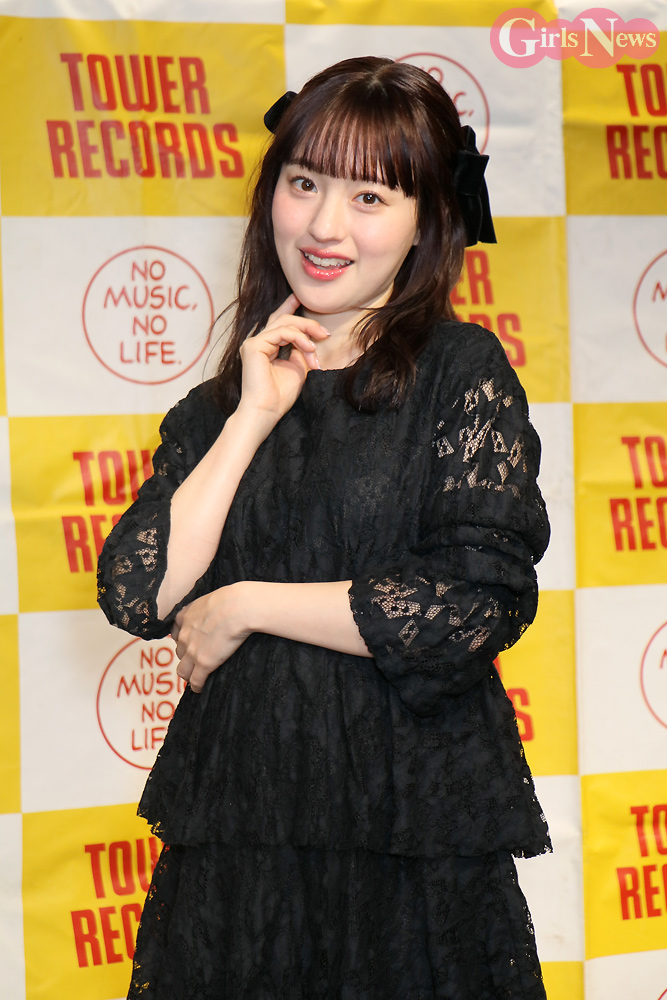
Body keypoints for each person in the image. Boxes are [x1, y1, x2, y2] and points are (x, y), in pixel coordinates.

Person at [98, 55, 550, 1000]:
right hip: (244, 830)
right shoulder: (219, 406)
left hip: (409, 832)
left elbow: (471, 605)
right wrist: (251, 416)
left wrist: (246, 605)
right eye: (303, 183)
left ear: (427, 218)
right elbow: (140, 594)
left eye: (369, 196)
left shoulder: (458, 372)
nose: (323, 225)